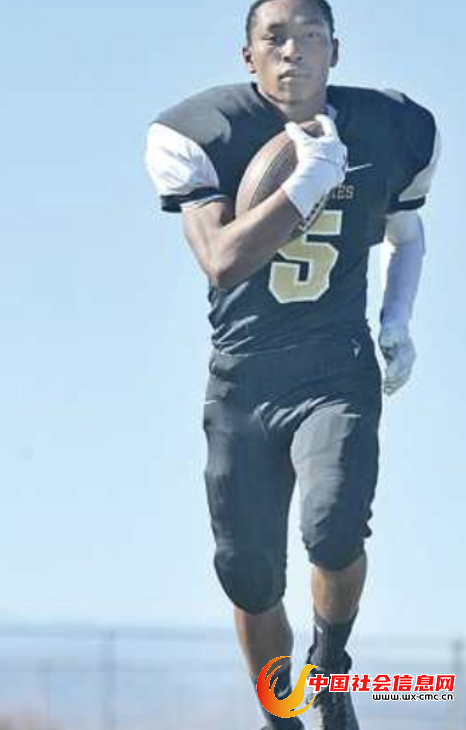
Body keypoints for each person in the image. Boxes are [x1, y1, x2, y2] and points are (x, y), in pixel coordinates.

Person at [143, 0, 440, 728]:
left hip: (335, 367)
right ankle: (282, 716)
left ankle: (330, 669)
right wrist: (307, 180)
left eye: (310, 37)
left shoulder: (392, 127)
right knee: (247, 576)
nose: (292, 51)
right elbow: (222, 261)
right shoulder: (203, 130)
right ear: (246, 54)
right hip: (243, 377)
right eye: (274, 37)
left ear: (335, 51)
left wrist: (397, 318)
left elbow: (405, 231)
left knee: (334, 529)